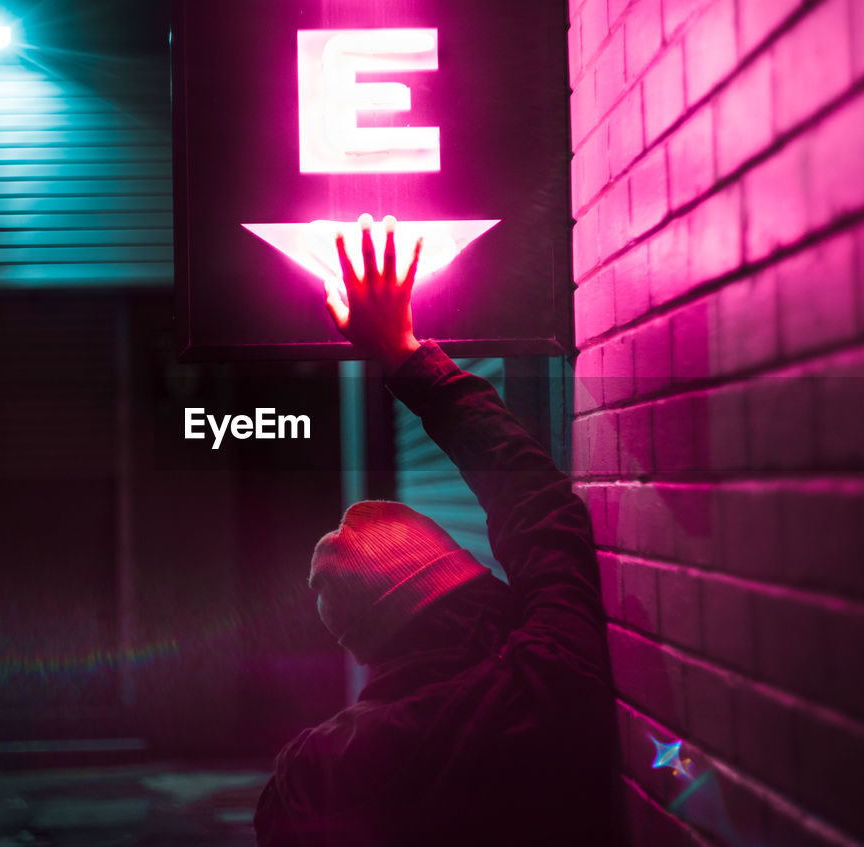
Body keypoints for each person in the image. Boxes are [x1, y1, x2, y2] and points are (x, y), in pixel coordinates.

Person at [253, 215, 615, 846]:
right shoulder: (539, 685)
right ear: (463, 596)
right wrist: (406, 358)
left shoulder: (311, 775)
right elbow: (538, 511)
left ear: (366, 645)